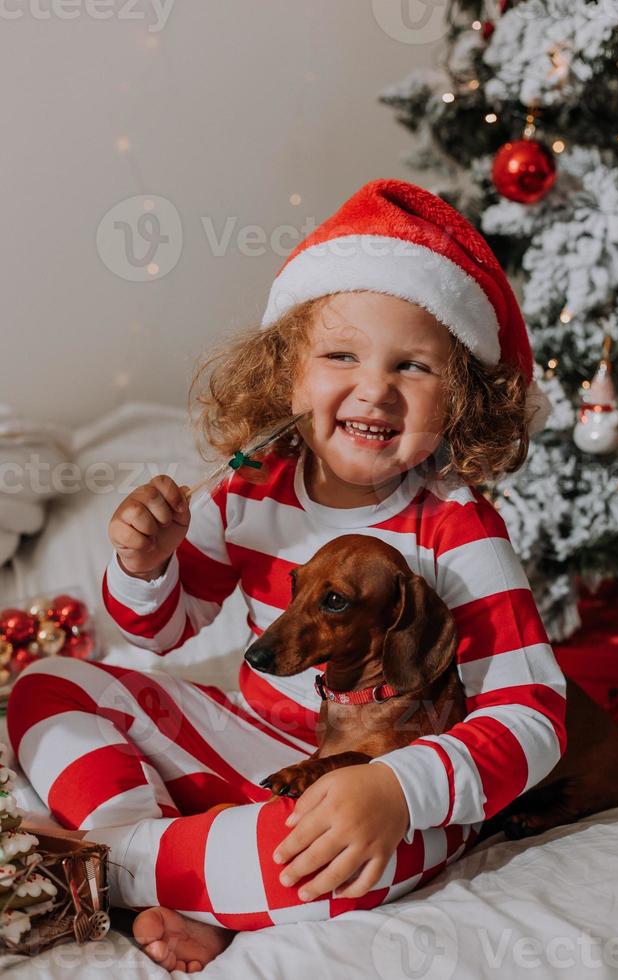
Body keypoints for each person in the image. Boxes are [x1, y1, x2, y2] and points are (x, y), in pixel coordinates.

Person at [7, 178, 567, 974]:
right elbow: (156, 634)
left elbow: (534, 715)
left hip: (386, 773)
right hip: (265, 741)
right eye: (341, 355)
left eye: (413, 366)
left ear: (461, 401)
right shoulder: (250, 490)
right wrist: (144, 563)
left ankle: (110, 867)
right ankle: (162, 864)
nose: (373, 388)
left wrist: (399, 791)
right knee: (48, 684)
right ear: (291, 376)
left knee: (317, 858)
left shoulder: (457, 527)